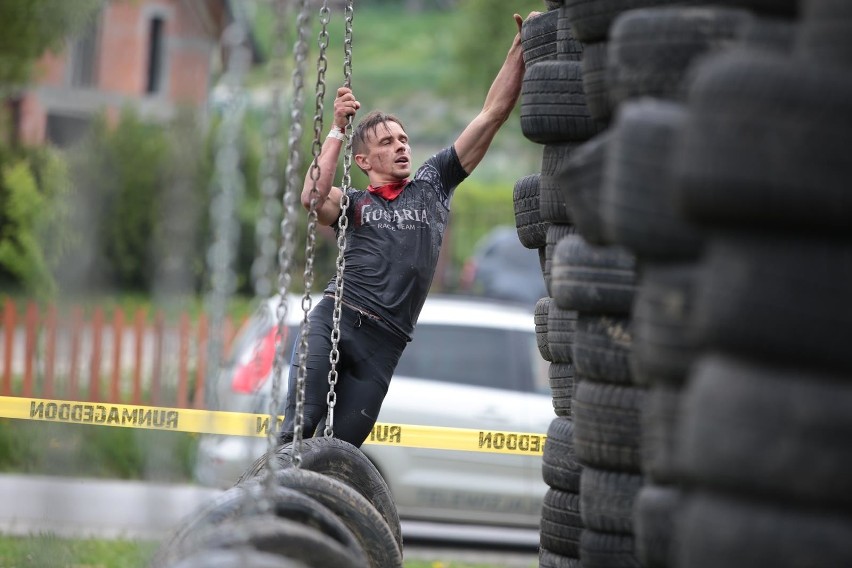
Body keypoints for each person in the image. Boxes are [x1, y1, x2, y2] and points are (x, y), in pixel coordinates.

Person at [280, 11, 537, 448]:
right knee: (298, 431)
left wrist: (521, 47)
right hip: (337, 319)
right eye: (386, 142)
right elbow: (312, 197)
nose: (400, 146)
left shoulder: (433, 183)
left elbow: (491, 115)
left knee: (338, 453)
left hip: (385, 345)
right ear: (364, 163)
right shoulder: (354, 203)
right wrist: (339, 129)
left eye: (402, 139)